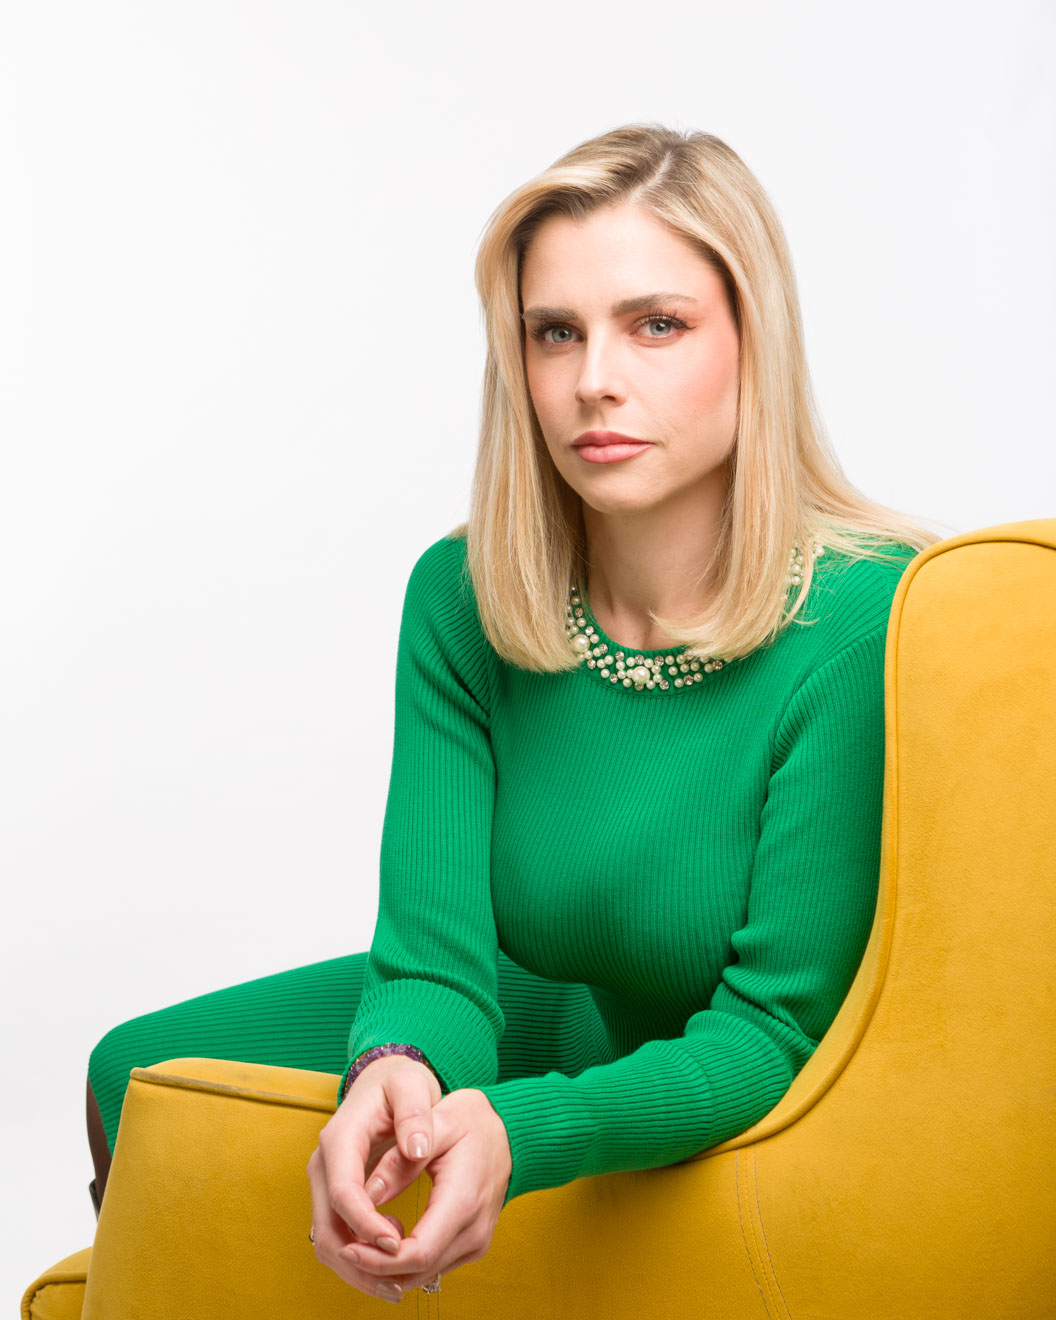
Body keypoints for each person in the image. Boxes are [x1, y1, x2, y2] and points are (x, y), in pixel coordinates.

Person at [85, 122, 941, 1304]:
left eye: (656, 324)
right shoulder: (465, 595)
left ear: (755, 338)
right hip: (558, 1014)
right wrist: (401, 1063)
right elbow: (436, 959)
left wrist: (517, 1130)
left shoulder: (870, 620)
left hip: (723, 1083)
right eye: (555, 332)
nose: (595, 377)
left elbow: (770, 1039)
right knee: (129, 1074)